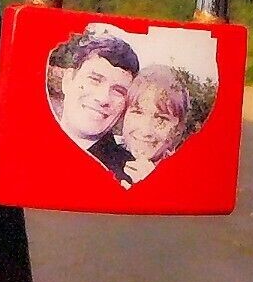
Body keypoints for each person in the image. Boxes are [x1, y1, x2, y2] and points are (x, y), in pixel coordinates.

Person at [43, 29, 139, 174]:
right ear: (68, 80)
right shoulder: (22, 142)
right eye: (94, 80)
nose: (103, 98)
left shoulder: (130, 174)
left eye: (118, 91)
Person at [111, 64, 201, 187]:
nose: (146, 130)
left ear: (178, 129)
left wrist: (154, 187)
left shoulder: (185, 179)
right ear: (124, 114)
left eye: (162, 118)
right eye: (138, 112)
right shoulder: (104, 155)